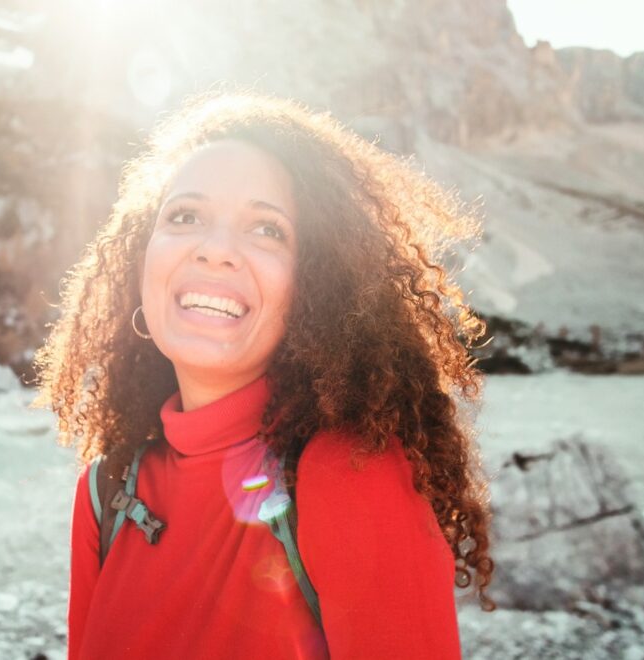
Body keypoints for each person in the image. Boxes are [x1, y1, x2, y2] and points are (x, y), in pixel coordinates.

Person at [33, 92, 494, 659]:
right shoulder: (106, 490)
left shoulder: (351, 474)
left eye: (267, 229)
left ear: (316, 285)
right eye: (185, 216)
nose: (216, 250)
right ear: (139, 259)